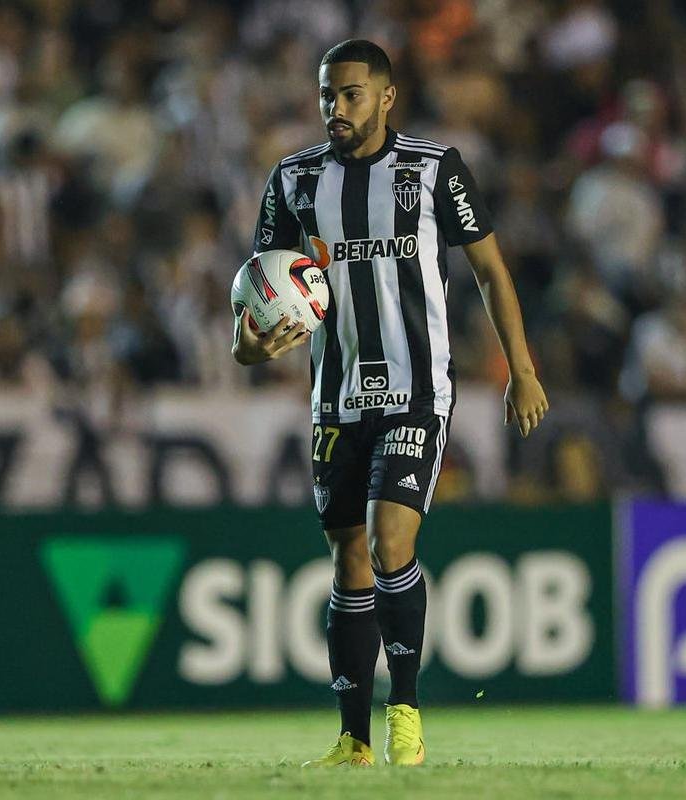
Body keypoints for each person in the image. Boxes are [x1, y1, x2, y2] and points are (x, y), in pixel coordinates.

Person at [232, 39, 548, 767]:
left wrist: (522, 371)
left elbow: (493, 273)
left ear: (385, 97)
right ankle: (353, 738)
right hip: (334, 400)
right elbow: (258, 296)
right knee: (348, 560)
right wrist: (250, 349)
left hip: (417, 392)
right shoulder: (293, 179)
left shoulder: (434, 170)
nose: (334, 108)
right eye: (326, 95)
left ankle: (405, 710)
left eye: (349, 94)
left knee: (389, 541)